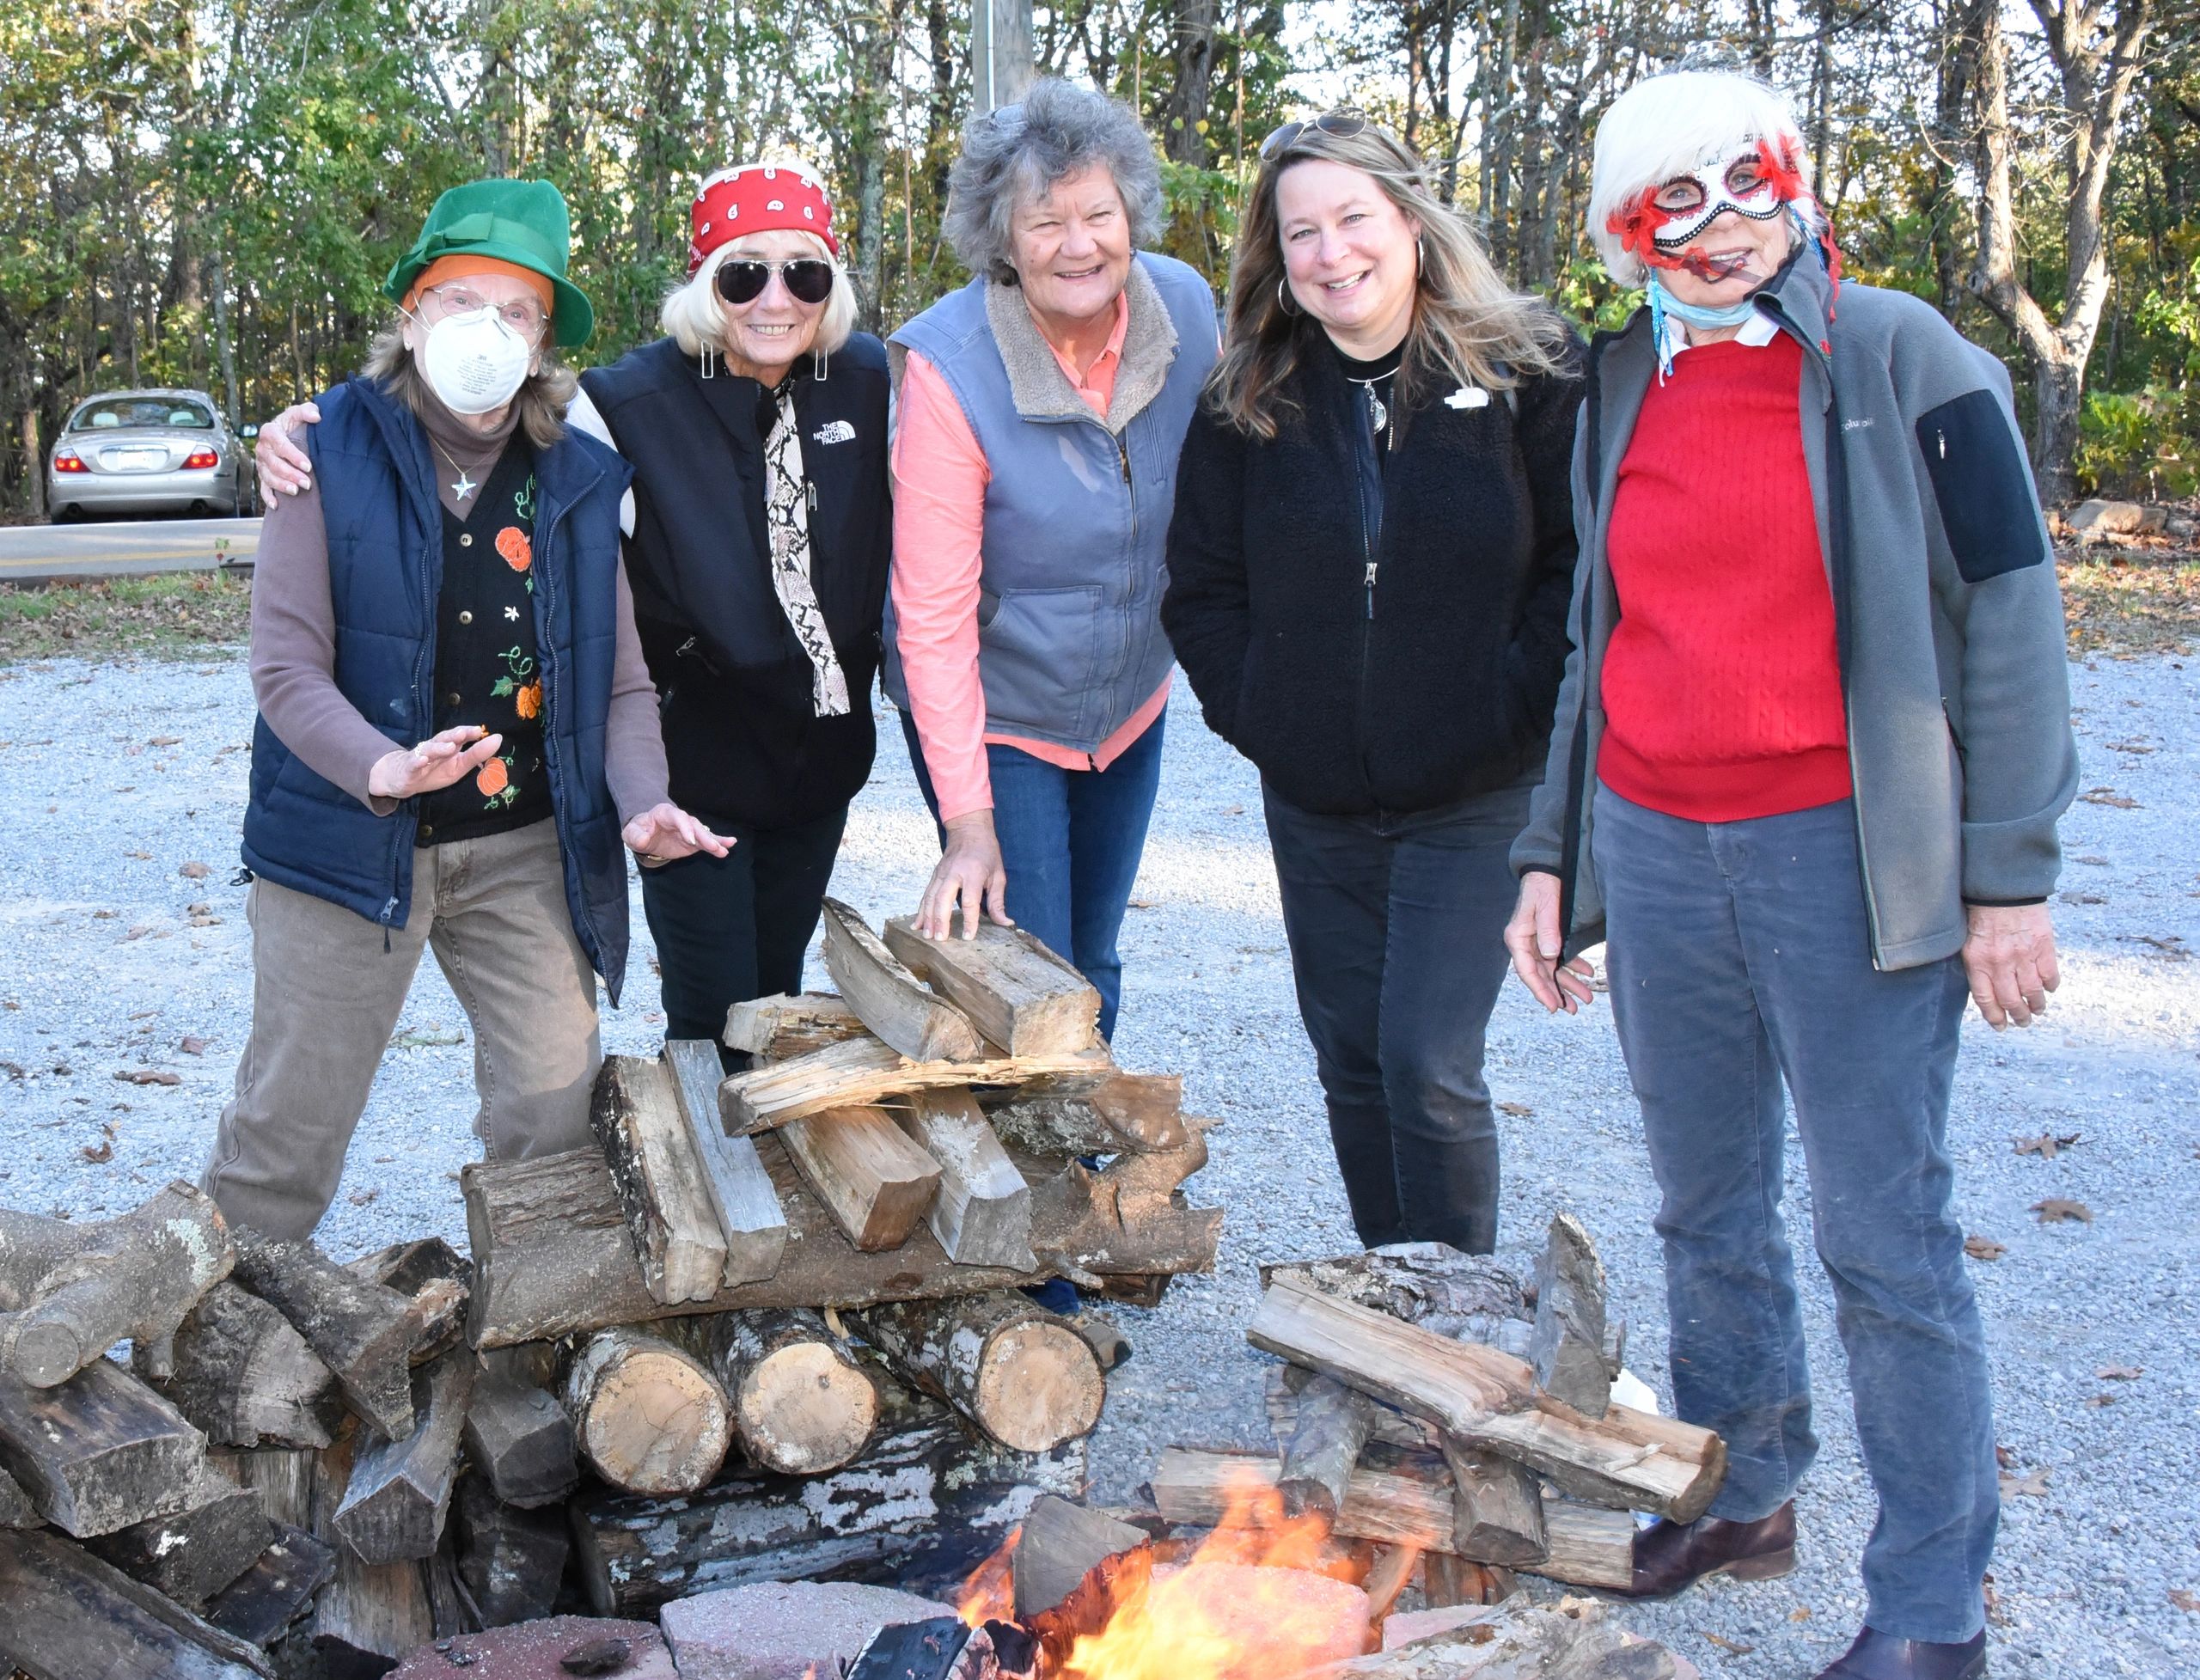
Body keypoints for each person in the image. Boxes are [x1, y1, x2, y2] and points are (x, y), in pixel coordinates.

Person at [1502, 70, 2076, 1680]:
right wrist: (1556, 855)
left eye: (1743, 189)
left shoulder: (1906, 356)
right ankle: (1746, 1493)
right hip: (1663, 847)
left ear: (1793, 182)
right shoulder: (1618, 381)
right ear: (1626, 237)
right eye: (1669, 209)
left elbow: (2014, 610)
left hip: (1846, 859)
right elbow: (1592, 639)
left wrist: (2007, 875)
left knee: (1882, 1234)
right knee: (1706, 1206)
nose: (1718, 234)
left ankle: (1931, 1608)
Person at [255, 166, 890, 1066]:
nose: (775, 298)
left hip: (821, 762)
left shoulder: (873, 380)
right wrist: (295, 435)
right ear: (705, 282)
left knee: (776, 1001)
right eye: (744, 272)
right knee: (715, 1024)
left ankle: (766, 1172)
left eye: (806, 273)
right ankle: (713, 1180)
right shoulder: (617, 408)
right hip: (696, 765)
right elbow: (463, 423)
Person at [207, 179, 728, 1240]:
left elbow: (621, 681)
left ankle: (527, 1357)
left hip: (522, 846)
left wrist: (644, 802)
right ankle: (213, 1359)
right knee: (287, 1134)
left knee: (554, 1121)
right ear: (411, 315)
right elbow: (287, 670)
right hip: (347, 843)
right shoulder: (324, 447)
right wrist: (381, 767)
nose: (486, 329)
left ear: (542, 345)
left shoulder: (580, 479)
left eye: (518, 310)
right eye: (458, 299)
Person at [1161, 114, 1580, 1256]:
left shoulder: (1526, 366)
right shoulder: (1247, 396)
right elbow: (1199, 584)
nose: (1332, 251)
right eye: (1303, 231)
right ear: (1276, 255)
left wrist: (1512, 700)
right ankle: (1391, 1306)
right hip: (1317, 796)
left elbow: (1578, 567)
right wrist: (1264, 711)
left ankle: (1457, 1327)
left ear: (1410, 219)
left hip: (1478, 788)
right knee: (1350, 1059)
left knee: (1427, 1061)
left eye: (1354, 217)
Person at [887, 78, 1218, 1042]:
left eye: (1098, 214)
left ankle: (1082, 1159)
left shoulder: (1189, 314)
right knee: (1031, 959)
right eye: (1044, 222)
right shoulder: (953, 367)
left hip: (1128, 700)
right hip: (1000, 708)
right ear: (1003, 237)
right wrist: (968, 820)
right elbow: (934, 618)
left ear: (1131, 215)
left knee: (1096, 950)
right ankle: (1031, 1176)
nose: (1078, 245)